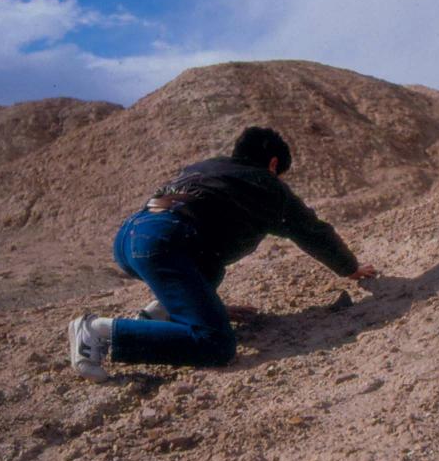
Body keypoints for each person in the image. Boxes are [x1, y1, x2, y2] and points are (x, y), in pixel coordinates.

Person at [68, 126, 377, 381]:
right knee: (215, 344)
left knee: (212, 265)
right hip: (164, 241)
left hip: (130, 238)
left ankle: (158, 314)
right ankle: (99, 331)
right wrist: (349, 268)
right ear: (272, 165)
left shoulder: (206, 168)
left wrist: (208, 302)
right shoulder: (266, 184)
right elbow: (312, 231)